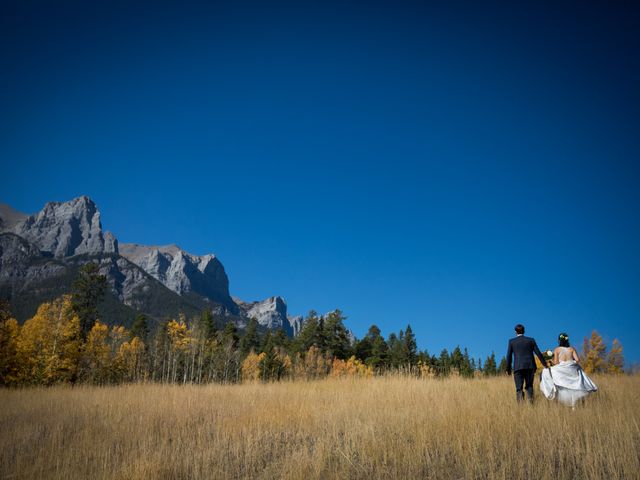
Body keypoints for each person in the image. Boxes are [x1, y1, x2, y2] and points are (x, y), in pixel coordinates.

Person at [540, 333, 597, 407]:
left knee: (546, 371)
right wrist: (570, 364)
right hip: (571, 370)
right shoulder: (572, 349)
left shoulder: (557, 349)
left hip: (562, 371)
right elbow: (577, 360)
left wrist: (550, 360)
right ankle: (575, 404)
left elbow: (556, 362)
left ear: (559, 341)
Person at [506, 324, 549, 402]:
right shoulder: (531, 340)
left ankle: (521, 407)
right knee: (529, 386)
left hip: (518, 367)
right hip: (530, 366)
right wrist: (544, 364)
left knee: (519, 388)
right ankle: (531, 403)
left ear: (515, 332)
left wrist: (508, 369)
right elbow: (538, 353)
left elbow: (509, 356)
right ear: (524, 331)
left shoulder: (512, 341)